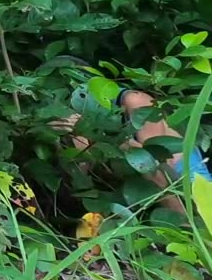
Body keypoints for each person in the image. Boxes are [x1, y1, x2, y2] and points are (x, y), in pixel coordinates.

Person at [57, 81, 212, 214]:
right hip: (143, 195)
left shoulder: (136, 101)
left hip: (184, 177)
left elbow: (153, 167)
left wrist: (96, 132)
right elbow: (83, 178)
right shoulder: (75, 125)